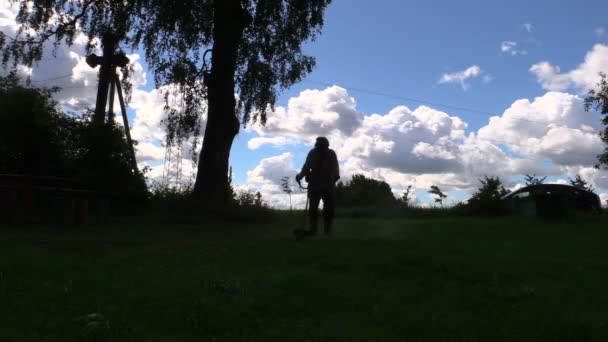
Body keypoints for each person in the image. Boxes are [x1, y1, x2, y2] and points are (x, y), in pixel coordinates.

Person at [296, 137, 340, 236]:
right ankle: (313, 231)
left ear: (326, 146)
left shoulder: (331, 154)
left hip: (327, 185)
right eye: (318, 146)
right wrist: (300, 176)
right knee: (312, 209)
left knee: (329, 210)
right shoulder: (312, 153)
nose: (319, 148)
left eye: (321, 146)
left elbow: (335, 168)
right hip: (315, 185)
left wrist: (333, 178)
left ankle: (327, 231)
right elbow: (306, 166)